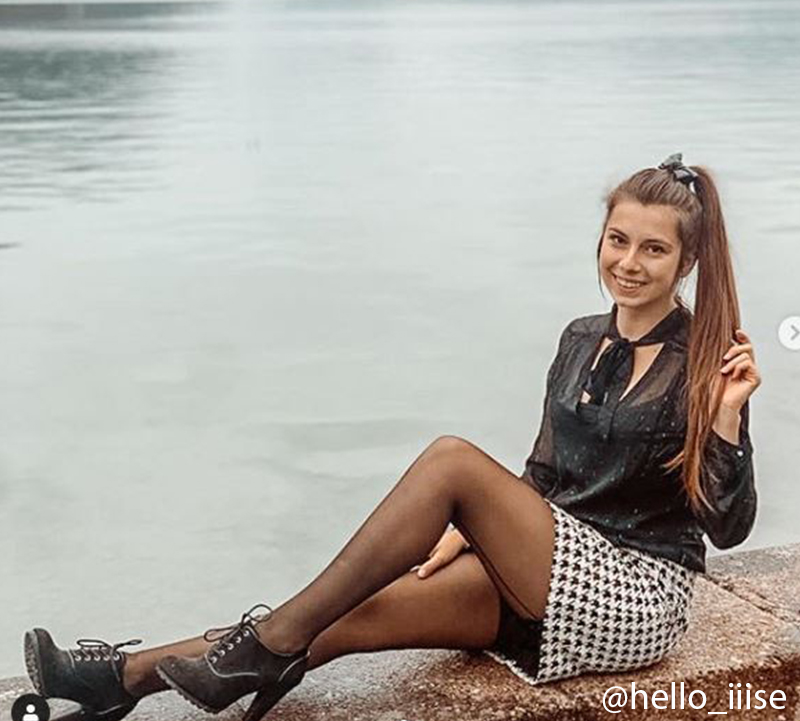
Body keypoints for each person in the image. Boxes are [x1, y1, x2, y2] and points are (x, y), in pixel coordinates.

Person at [23, 153, 760, 721]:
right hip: (547, 573)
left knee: (451, 461)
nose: (627, 263)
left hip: (635, 595)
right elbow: (542, 476)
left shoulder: (705, 361)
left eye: (652, 250)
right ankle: (120, 680)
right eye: (617, 240)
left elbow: (728, 530)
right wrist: (476, 534)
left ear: (686, 262)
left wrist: (727, 419)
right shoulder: (578, 338)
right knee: (342, 615)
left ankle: (262, 651)